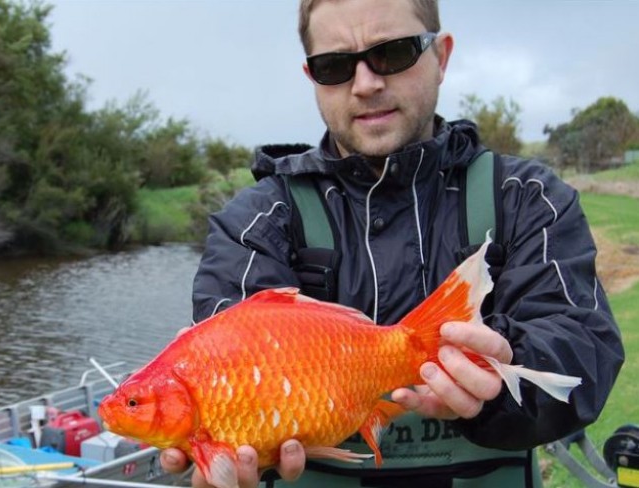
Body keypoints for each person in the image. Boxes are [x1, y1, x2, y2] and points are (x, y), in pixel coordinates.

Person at [160, 0, 624, 486]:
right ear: (311, 76)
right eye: (335, 65)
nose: (365, 84)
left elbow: (584, 353)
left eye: (394, 52)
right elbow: (225, 352)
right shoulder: (256, 219)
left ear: (441, 57)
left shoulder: (526, 197)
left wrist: (499, 373)